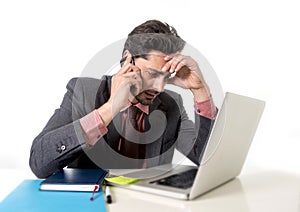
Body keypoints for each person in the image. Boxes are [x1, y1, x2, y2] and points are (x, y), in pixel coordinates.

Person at [29, 20, 217, 178]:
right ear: (127, 59)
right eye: (152, 74)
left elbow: (206, 158)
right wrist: (109, 109)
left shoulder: (171, 104)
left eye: (166, 76)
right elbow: (39, 163)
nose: (160, 88)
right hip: (95, 202)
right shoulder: (83, 91)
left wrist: (200, 90)